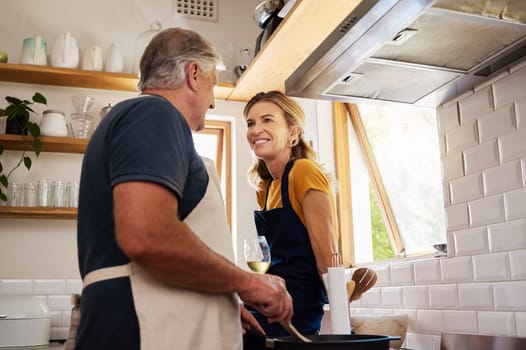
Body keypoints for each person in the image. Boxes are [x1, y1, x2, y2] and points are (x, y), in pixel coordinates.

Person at [75, 28, 293, 350]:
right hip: (141, 325)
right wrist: (248, 283)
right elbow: (147, 235)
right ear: (193, 74)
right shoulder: (154, 113)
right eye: (212, 85)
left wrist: (221, 296)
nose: (214, 103)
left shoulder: (144, 119)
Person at [242, 91, 339, 344]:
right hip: (271, 303)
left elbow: (327, 260)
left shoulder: (304, 172)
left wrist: (343, 325)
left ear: (293, 133)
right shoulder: (265, 188)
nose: (256, 129)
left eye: (267, 120)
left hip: (296, 312)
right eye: (251, 123)